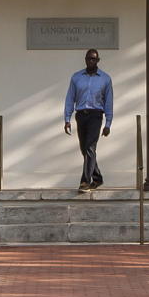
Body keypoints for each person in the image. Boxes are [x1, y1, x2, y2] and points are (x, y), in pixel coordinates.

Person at [62, 47, 113, 190]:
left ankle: (85, 181)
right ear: (85, 60)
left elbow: (109, 102)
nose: (91, 61)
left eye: (93, 58)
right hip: (81, 115)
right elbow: (70, 98)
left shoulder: (105, 79)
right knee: (85, 149)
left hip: (96, 115)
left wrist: (108, 123)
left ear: (98, 60)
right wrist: (67, 119)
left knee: (90, 147)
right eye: (88, 58)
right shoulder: (76, 77)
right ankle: (97, 177)